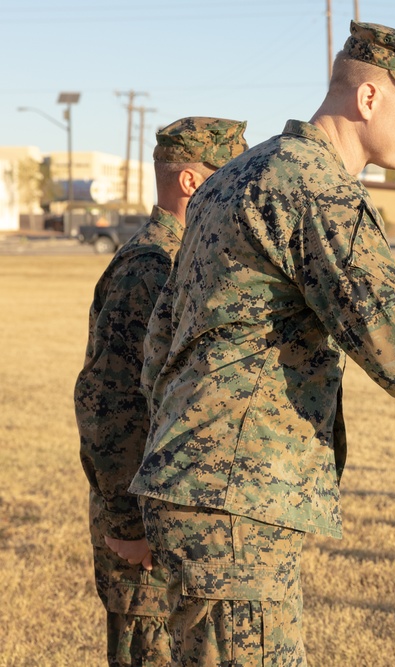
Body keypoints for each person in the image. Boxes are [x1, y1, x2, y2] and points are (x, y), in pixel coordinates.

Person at [129, 21, 395, 665]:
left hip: (194, 486)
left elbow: (163, 334)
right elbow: (394, 343)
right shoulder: (317, 191)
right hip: (239, 498)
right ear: (368, 99)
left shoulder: (234, 176)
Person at [75, 116, 248, 666]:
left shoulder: (188, 258)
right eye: (229, 177)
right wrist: (128, 526)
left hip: (173, 523)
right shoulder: (150, 268)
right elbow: (110, 405)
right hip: (143, 537)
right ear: (192, 183)